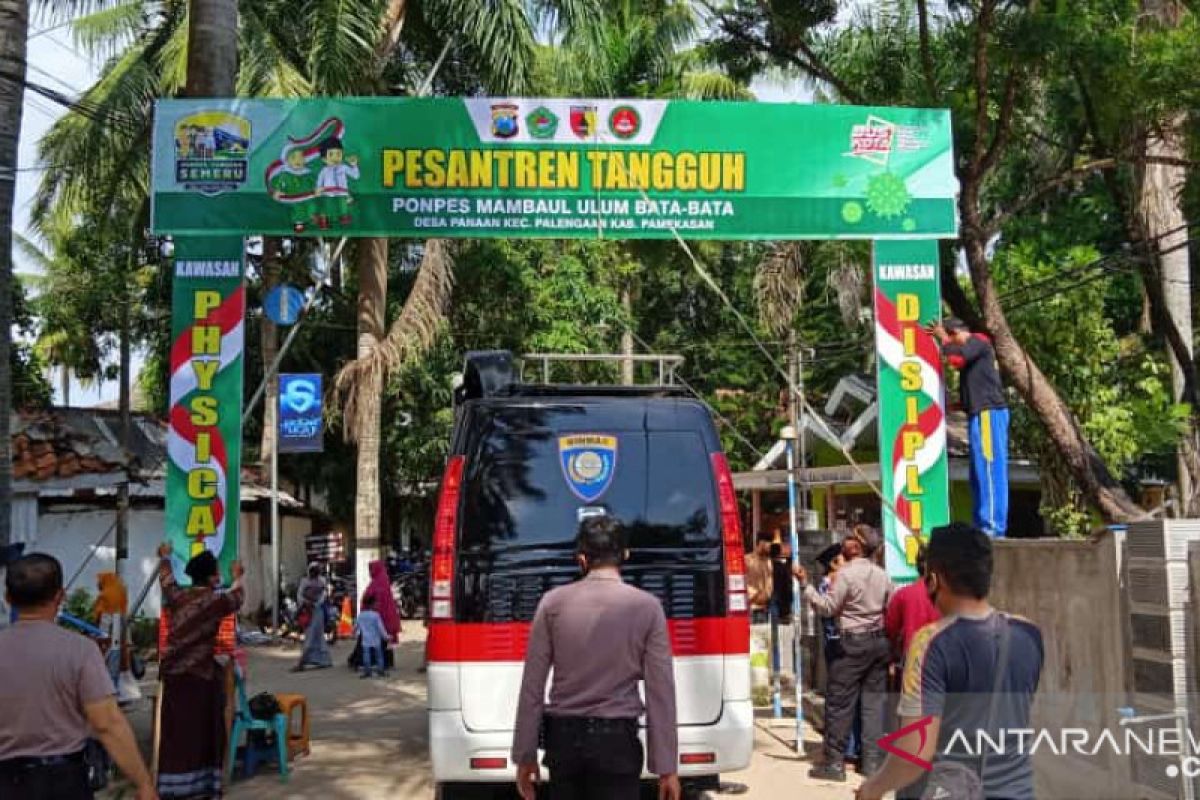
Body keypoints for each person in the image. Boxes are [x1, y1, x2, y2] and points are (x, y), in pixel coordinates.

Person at [856, 523, 1044, 800]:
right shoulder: (1029, 634)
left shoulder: (930, 643)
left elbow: (914, 751)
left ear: (934, 580)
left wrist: (873, 787)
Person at [512, 516, 681, 800]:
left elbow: (533, 684)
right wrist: (667, 768)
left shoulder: (552, 604)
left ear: (582, 558)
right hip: (617, 744)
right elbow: (660, 691)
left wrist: (525, 754)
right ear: (625, 555)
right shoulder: (647, 608)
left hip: (563, 743)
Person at [0, 554, 156, 800]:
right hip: (64, 781)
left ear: (8, 598)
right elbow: (107, 724)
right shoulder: (80, 650)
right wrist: (143, 783)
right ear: (60, 596)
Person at [795, 532, 893, 781]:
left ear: (858, 546)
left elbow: (827, 607)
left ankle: (834, 764)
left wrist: (805, 585)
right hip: (878, 643)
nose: (844, 541)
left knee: (839, 705)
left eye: (850, 537)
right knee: (873, 706)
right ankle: (871, 763)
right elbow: (889, 607)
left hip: (851, 644)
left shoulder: (846, 575)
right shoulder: (883, 575)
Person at [156, 544, 244, 799]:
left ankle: (172, 787)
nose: (219, 577)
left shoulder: (178, 596)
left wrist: (164, 557)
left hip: (173, 675)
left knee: (175, 734)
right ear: (210, 577)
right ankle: (200, 788)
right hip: (198, 676)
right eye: (217, 573)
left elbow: (167, 580)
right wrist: (238, 574)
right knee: (202, 734)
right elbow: (238, 597)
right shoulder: (214, 601)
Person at [929, 318, 1010, 537]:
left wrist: (942, 338)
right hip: (977, 415)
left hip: (988, 414)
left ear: (956, 333)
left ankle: (993, 526)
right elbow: (970, 390)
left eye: (951, 337)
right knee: (978, 473)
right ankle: (981, 524)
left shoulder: (979, 341)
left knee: (990, 469)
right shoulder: (973, 363)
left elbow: (956, 359)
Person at [884, 541, 941, 661]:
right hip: (942, 657)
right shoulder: (951, 596)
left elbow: (891, 629)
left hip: (912, 659)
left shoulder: (903, 595)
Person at [294, 563, 333, 672]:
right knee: (313, 635)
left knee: (314, 636)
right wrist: (306, 602)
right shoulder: (305, 581)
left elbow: (324, 595)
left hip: (317, 611)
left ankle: (304, 662)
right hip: (308, 611)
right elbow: (300, 595)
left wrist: (315, 603)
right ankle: (322, 660)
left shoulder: (322, 581)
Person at [362, 559, 401, 644]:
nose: (370, 572)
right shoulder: (383, 580)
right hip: (386, 621)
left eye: (371, 569)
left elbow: (367, 598)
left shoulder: (376, 583)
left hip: (379, 621)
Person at [354, 595, 389, 679]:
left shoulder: (361, 615)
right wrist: (386, 636)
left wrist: (354, 633)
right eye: (376, 603)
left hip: (365, 639)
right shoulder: (376, 615)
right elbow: (380, 628)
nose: (378, 604)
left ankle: (367, 672)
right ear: (372, 604)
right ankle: (380, 671)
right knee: (379, 656)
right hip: (376, 639)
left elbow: (356, 626)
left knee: (366, 655)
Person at [746, 532, 775, 624]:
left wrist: (767, 595)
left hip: (764, 610)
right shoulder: (747, 559)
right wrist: (756, 595)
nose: (770, 546)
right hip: (750, 609)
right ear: (761, 543)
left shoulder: (768, 562)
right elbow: (740, 582)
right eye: (768, 543)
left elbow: (770, 584)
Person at [769, 542, 794, 624]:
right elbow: (787, 584)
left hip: (771, 595)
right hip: (781, 598)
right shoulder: (782, 567)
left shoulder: (768, 565)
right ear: (779, 553)